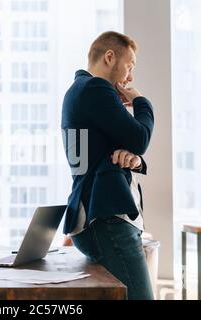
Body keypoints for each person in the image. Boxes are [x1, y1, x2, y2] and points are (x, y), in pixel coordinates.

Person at [61, 31, 155, 300]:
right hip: (108, 219)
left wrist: (134, 158)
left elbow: (123, 150)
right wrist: (141, 102)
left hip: (92, 215)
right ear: (110, 57)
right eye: (130, 65)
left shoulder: (77, 93)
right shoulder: (95, 88)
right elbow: (140, 137)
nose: (130, 77)